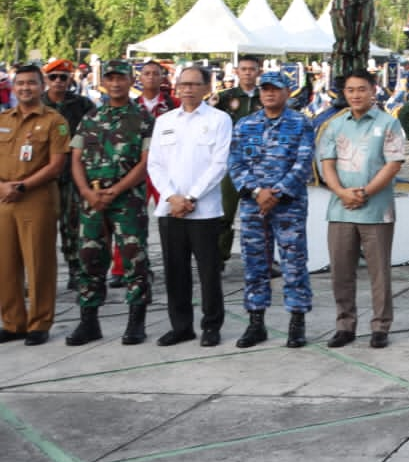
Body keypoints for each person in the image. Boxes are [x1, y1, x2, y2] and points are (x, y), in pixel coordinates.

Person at [67, 60, 153, 346]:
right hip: (92, 201)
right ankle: (88, 322)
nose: (115, 83)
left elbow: (145, 162)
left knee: (134, 258)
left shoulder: (142, 119)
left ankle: (135, 323)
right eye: (111, 78)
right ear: (104, 81)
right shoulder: (91, 117)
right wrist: (85, 192)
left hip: (127, 201)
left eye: (121, 78)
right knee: (89, 259)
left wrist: (116, 189)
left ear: (131, 81)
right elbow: (76, 158)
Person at [228, 70, 316, 349]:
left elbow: (303, 163)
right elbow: (235, 163)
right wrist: (257, 192)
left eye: (275, 89)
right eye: (265, 89)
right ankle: (256, 323)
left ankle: (297, 322)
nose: (269, 93)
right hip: (254, 206)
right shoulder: (245, 125)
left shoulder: (301, 123)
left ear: (287, 92)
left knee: (293, 264)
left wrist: (276, 193)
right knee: (255, 264)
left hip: (288, 205)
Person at [318, 69, 406, 348]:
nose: (356, 95)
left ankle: (380, 326)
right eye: (350, 90)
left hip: (376, 210)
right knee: (341, 272)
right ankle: (345, 325)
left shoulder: (388, 124)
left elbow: (393, 164)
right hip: (341, 208)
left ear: (373, 90)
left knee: (379, 272)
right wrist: (342, 192)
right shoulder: (335, 125)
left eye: (361, 89)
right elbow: (327, 163)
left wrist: (365, 192)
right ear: (344, 93)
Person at [148, 64, 234, 347]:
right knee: (175, 271)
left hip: (204, 210)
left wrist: (192, 197)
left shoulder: (220, 120)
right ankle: (181, 326)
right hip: (170, 209)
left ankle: (211, 325)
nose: (187, 89)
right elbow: (155, 165)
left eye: (194, 84)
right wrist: (173, 197)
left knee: (208, 271)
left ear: (207, 88)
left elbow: (219, 164)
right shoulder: (165, 121)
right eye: (183, 84)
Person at [0, 64, 71, 345]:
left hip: (36, 198)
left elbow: (56, 166)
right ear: (13, 87)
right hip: (4, 198)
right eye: (20, 84)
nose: (25, 88)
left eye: (31, 83)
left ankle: (39, 322)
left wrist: (22, 186)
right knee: (5, 264)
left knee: (38, 262)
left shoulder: (54, 121)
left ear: (42, 87)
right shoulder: (3, 119)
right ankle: (13, 322)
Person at [42, 58, 95, 301]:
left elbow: (92, 135)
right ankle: (40, 275)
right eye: (53, 77)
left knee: (72, 225)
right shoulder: (38, 103)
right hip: (43, 176)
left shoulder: (82, 104)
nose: (58, 82)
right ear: (46, 79)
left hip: (73, 174)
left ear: (70, 79)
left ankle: (75, 269)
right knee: (42, 227)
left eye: (63, 77)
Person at [212, 54, 263, 269]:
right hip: (231, 162)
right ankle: (218, 257)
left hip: (259, 163)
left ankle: (261, 260)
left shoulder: (266, 95)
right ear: (236, 71)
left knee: (259, 215)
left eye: (252, 69)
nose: (248, 73)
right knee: (225, 212)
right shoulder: (225, 97)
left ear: (259, 72)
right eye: (244, 69)